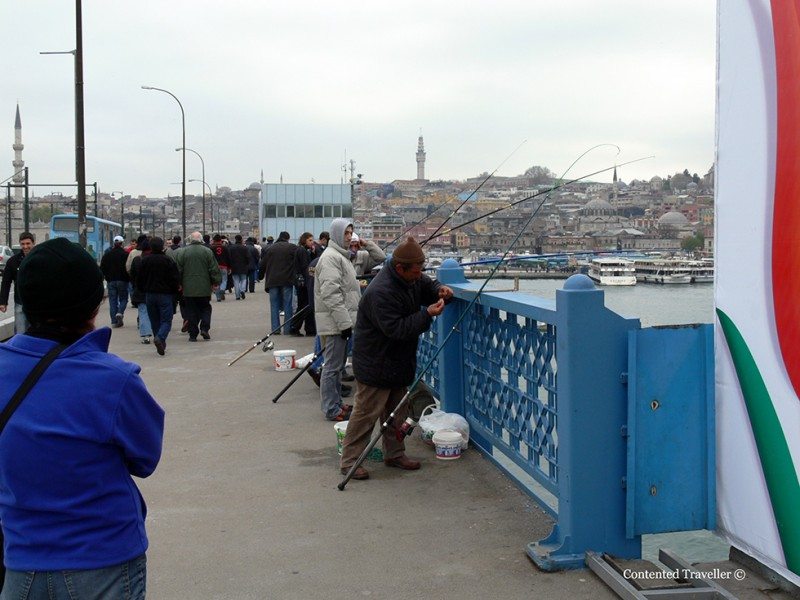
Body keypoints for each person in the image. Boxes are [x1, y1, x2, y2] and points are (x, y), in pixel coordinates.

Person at [0, 237, 164, 598]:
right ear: (92, 305)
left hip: (21, 558)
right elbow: (145, 458)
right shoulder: (114, 379)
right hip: (103, 556)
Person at [340, 236, 454, 480]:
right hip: (376, 362)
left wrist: (439, 291)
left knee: (396, 411)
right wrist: (428, 315)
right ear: (400, 268)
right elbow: (397, 329)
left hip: (397, 361)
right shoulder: (381, 292)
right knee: (366, 414)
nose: (419, 274)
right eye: (416, 270)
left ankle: (395, 453)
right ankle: (349, 461)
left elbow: (425, 285)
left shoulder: (409, 277)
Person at [314, 219, 362, 421]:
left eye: (351, 232)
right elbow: (331, 294)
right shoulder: (331, 258)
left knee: (336, 366)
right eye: (345, 233)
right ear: (336, 235)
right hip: (336, 323)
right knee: (332, 367)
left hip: (341, 321)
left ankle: (336, 404)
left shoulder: (340, 256)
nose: (350, 236)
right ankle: (331, 408)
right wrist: (344, 324)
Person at [137, 237, 181, 356]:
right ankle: (160, 338)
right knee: (166, 320)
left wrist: (142, 289)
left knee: (154, 319)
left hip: (150, 294)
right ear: (162, 247)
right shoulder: (168, 260)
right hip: (165, 294)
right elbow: (175, 278)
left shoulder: (144, 261)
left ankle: (159, 339)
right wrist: (174, 291)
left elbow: (139, 278)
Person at [175, 231, 221, 342]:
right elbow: (213, 268)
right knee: (205, 308)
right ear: (200, 240)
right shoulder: (207, 251)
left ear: (190, 240)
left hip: (188, 287)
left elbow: (178, 270)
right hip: (204, 286)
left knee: (191, 310)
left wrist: (179, 283)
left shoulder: (183, 252)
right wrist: (215, 282)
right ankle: (204, 328)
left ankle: (193, 334)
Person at [258, 231, 298, 335]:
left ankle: (275, 329)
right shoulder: (292, 248)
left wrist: (260, 276)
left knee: (274, 305)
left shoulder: (270, 249)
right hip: (287, 280)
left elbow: (262, 264)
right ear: (288, 238)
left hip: (272, 280)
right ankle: (287, 329)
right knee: (288, 304)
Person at [0, 232, 35, 334]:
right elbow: (6, 282)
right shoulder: (12, 261)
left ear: (33, 243)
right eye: (23, 244)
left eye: (28, 244)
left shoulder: (41, 259)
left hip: (37, 304)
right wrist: (3, 301)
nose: (25, 246)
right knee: (20, 332)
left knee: (36, 333)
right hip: (20, 302)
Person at [99, 235, 130, 327]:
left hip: (111, 280)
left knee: (112, 301)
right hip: (123, 280)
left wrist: (106, 277)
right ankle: (120, 312)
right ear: (122, 243)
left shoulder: (107, 255)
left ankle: (114, 321)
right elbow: (128, 267)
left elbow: (102, 268)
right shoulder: (125, 254)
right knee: (124, 298)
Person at [129, 239, 154, 344]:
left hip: (140, 290)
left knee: (143, 312)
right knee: (154, 313)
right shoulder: (155, 259)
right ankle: (158, 334)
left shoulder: (137, 260)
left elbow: (132, 275)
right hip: (154, 290)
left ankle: (145, 335)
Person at [291, 232, 316, 336]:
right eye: (310, 240)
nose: (312, 242)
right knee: (304, 306)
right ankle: (296, 327)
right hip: (304, 283)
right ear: (304, 240)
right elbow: (306, 267)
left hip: (302, 282)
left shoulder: (302, 250)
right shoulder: (302, 251)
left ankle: (308, 328)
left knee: (305, 306)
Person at [228, 234, 251, 300]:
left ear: (235, 239)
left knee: (236, 281)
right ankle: (242, 290)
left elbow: (229, 257)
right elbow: (248, 257)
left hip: (234, 266)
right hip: (243, 266)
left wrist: (230, 266)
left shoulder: (231, 248)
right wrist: (247, 264)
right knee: (244, 279)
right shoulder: (244, 248)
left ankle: (237, 296)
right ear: (241, 240)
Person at [210, 234, 231, 302]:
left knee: (216, 282)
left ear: (214, 240)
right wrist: (229, 267)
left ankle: (218, 297)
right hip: (224, 266)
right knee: (224, 279)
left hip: (214, 267)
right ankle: (222, 289)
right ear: (220, 240)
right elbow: (228, 258)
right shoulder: (225, 248)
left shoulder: (211, 248)